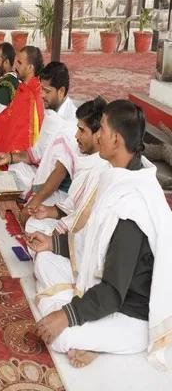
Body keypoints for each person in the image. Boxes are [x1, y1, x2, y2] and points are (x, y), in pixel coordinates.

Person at [28, 100, 172, 370]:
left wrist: (67, 316)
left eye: (101, 130)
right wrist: (53, 243)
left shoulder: (132, 207)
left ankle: (96, 338)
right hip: (108, 288)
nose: (96, 136)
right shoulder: (121, 175)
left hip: (131, 314)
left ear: (116, 139)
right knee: (45, 259)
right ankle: (90, 328)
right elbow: (92, 237)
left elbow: (114, 292)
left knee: (60, 336)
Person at [0, 62, 78, 206]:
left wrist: (34, 198)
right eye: (41, 89)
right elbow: (38, 152)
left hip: (58, 187)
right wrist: (10, 157)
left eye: (47, 91)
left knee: (32, 219)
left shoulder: (70, 123)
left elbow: (57, 172)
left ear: (61, 91)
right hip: (41, 170)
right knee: (14, 167)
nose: (42, 95)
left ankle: (25, 196)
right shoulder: (52, 112)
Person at [25, 97, 110, 236]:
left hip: (87, 233)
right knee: (34, 224)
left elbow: (83, 217)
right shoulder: (84, 155)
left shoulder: (101, 166)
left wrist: (54, 239)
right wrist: (48, 211)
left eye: (82, 131)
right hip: (71, 216)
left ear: (98, 134)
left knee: (42, 245)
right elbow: (72, 205)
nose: (76, 135)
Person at [0, 46, 45, 172]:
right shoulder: (24, 88)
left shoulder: (32, 94)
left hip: (23, 157)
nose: (15, 66)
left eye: (20, 63)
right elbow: (7, 118)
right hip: (10, 147)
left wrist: (9, 155)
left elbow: (26, 137)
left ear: (30, 67)